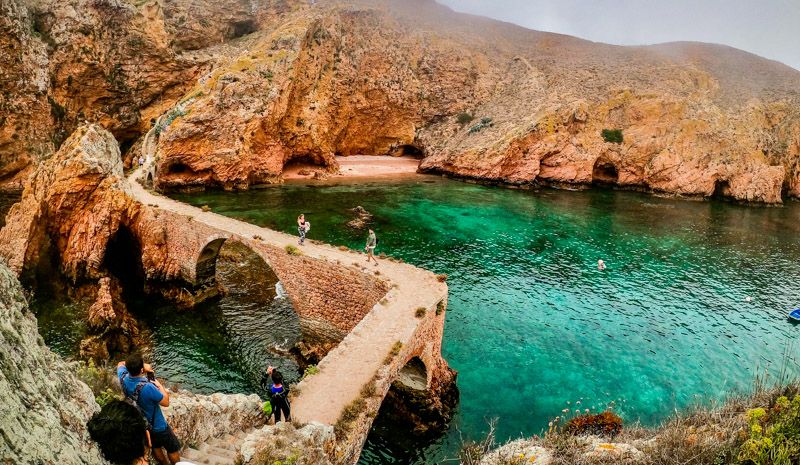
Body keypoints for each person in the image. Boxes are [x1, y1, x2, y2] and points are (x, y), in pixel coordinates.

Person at [117, 354, 181, 465]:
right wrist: (159, 385)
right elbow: (166, 402)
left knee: (156, 447)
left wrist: (139, 366)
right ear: (142, 369)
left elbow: (120, 363)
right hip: (158, 425)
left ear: (128, 368)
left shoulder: (122, 377)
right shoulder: (148, 387)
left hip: (144, 424)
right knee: (172, 447)